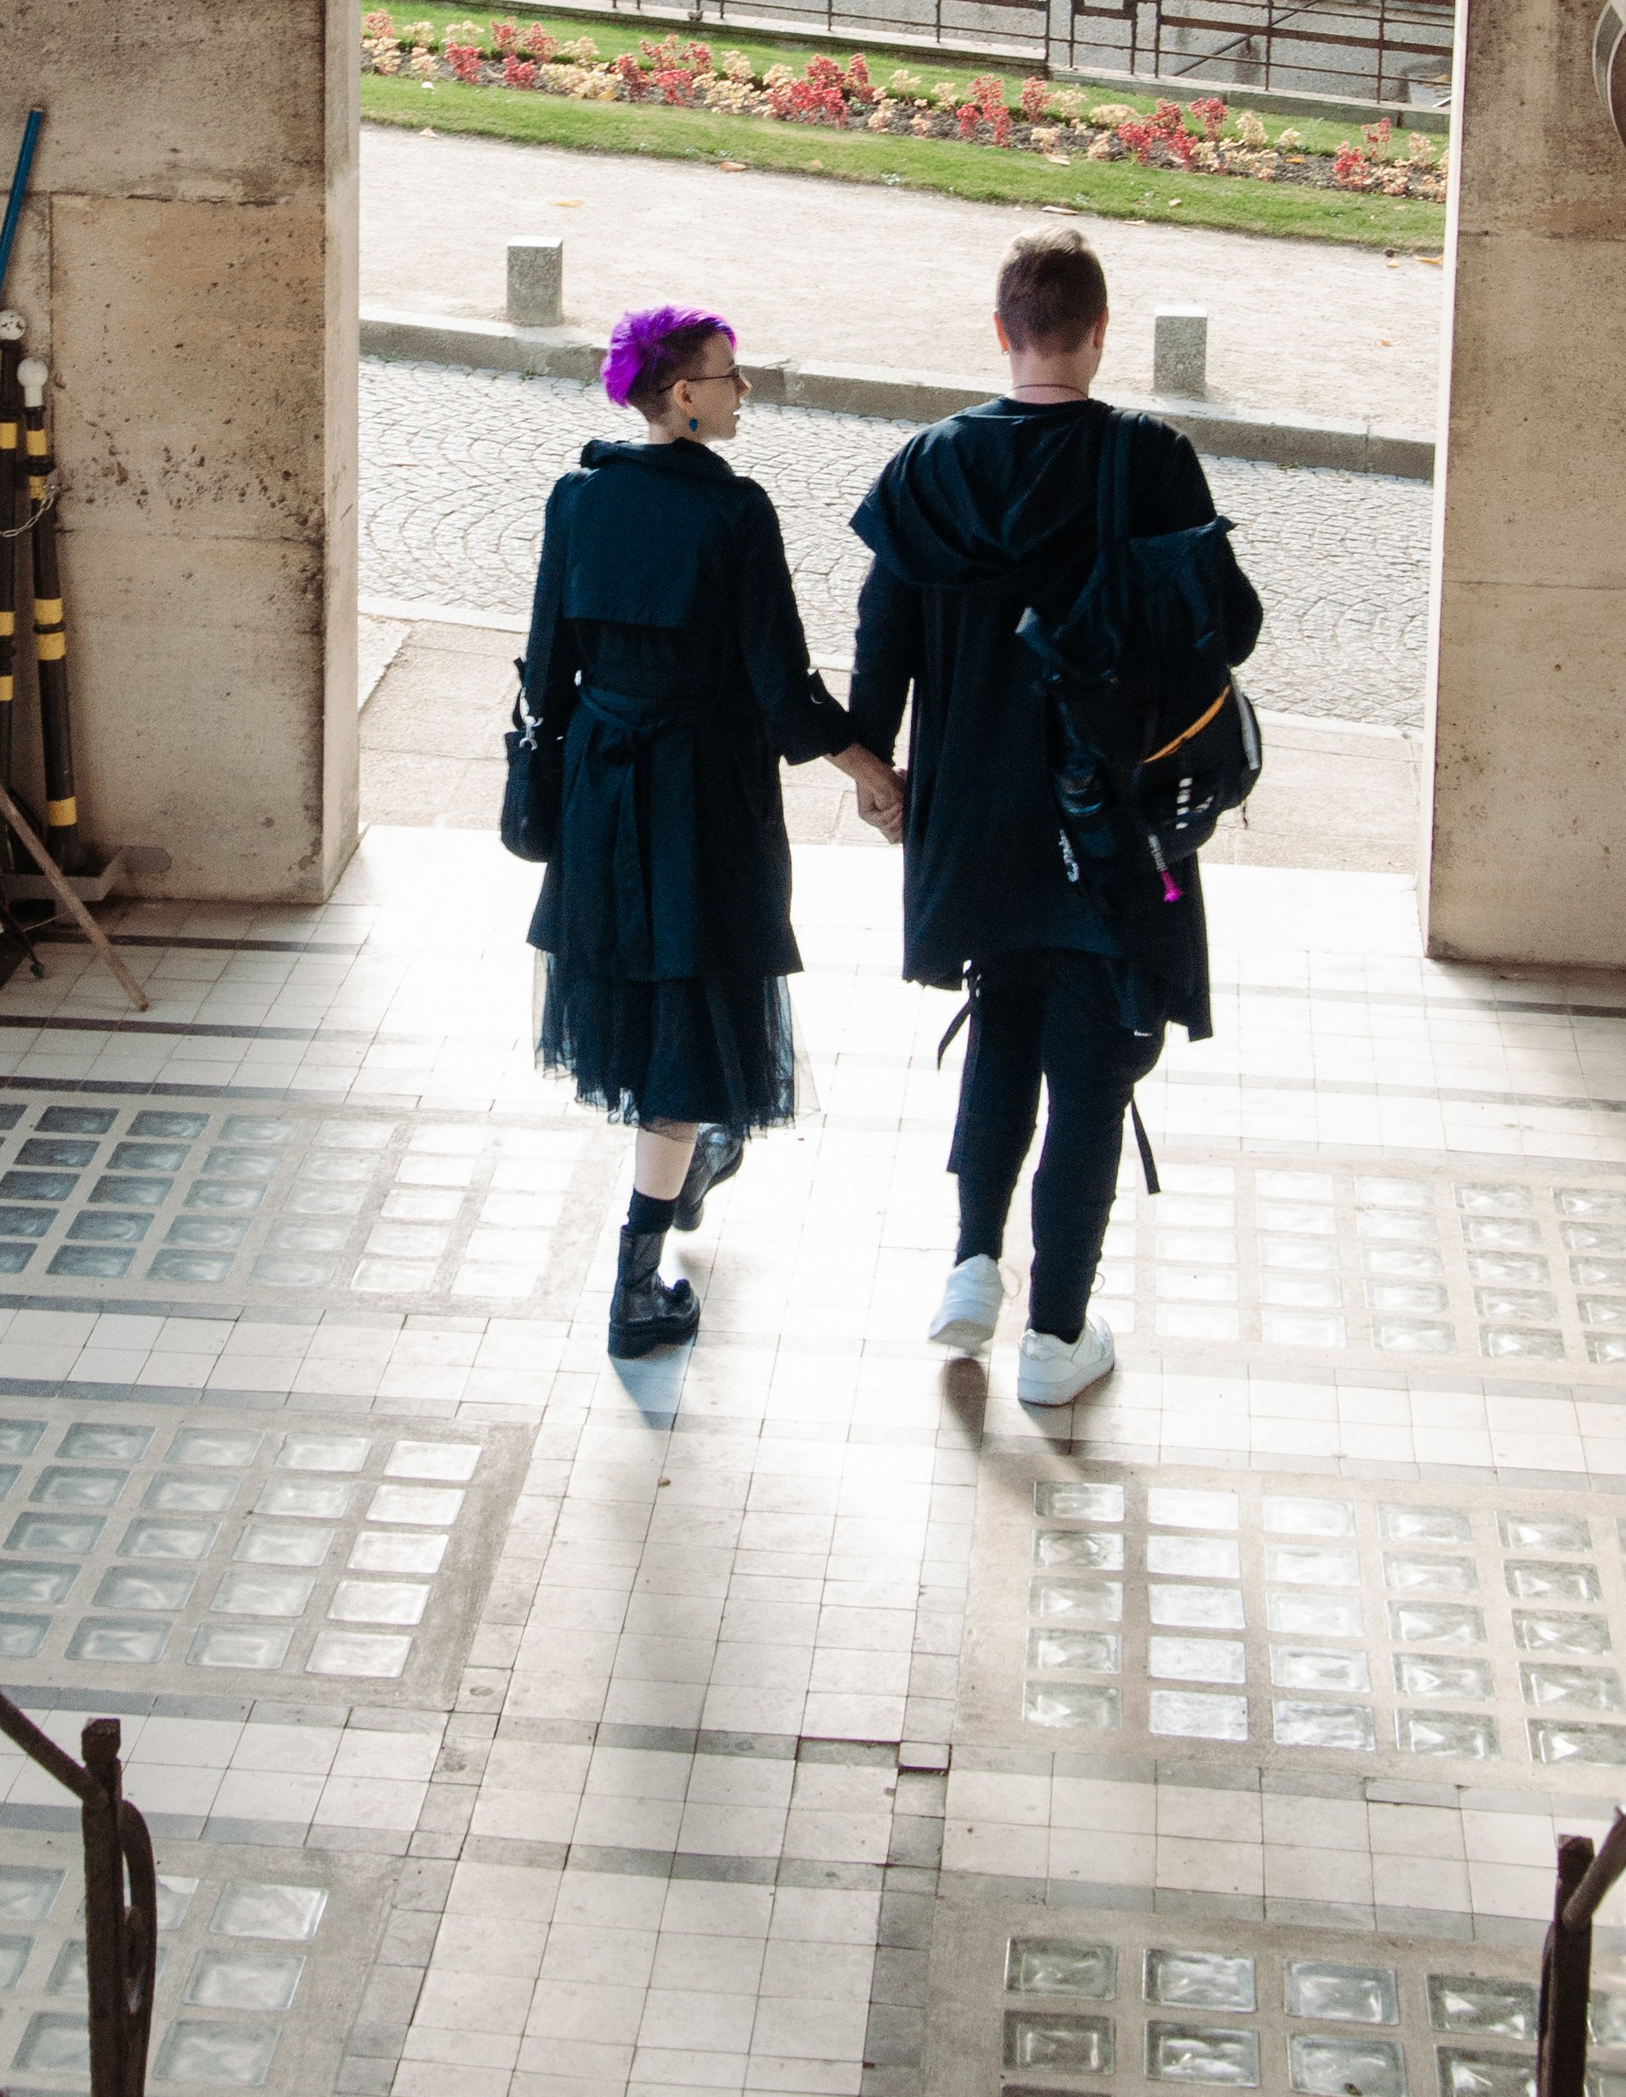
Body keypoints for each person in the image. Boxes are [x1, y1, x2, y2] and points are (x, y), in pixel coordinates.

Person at [847, 227, 1260, 1408]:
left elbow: (884, 645)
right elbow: (1221, 630)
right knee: (1090, 1064)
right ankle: (1055, 1339)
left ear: (1001, 331)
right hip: (1108, 823)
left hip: (973, 816)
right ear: (1096, 332)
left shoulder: (926, 468)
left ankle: (973, 1269)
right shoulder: (1149, 459)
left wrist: (882, 775)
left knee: (1001, 1021)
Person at [521, 305, 906, 1357]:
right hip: (702, 797)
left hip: (606, 791)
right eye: (730, 376)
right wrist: (872, 773)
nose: (745, 392)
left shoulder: (578, 497)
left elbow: (545, 668)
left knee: (653, 1028)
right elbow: (780, 684)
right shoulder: (735, 513)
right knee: (687, 1042)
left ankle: (682, 1173)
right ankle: (636, 1287)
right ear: (682, 396)